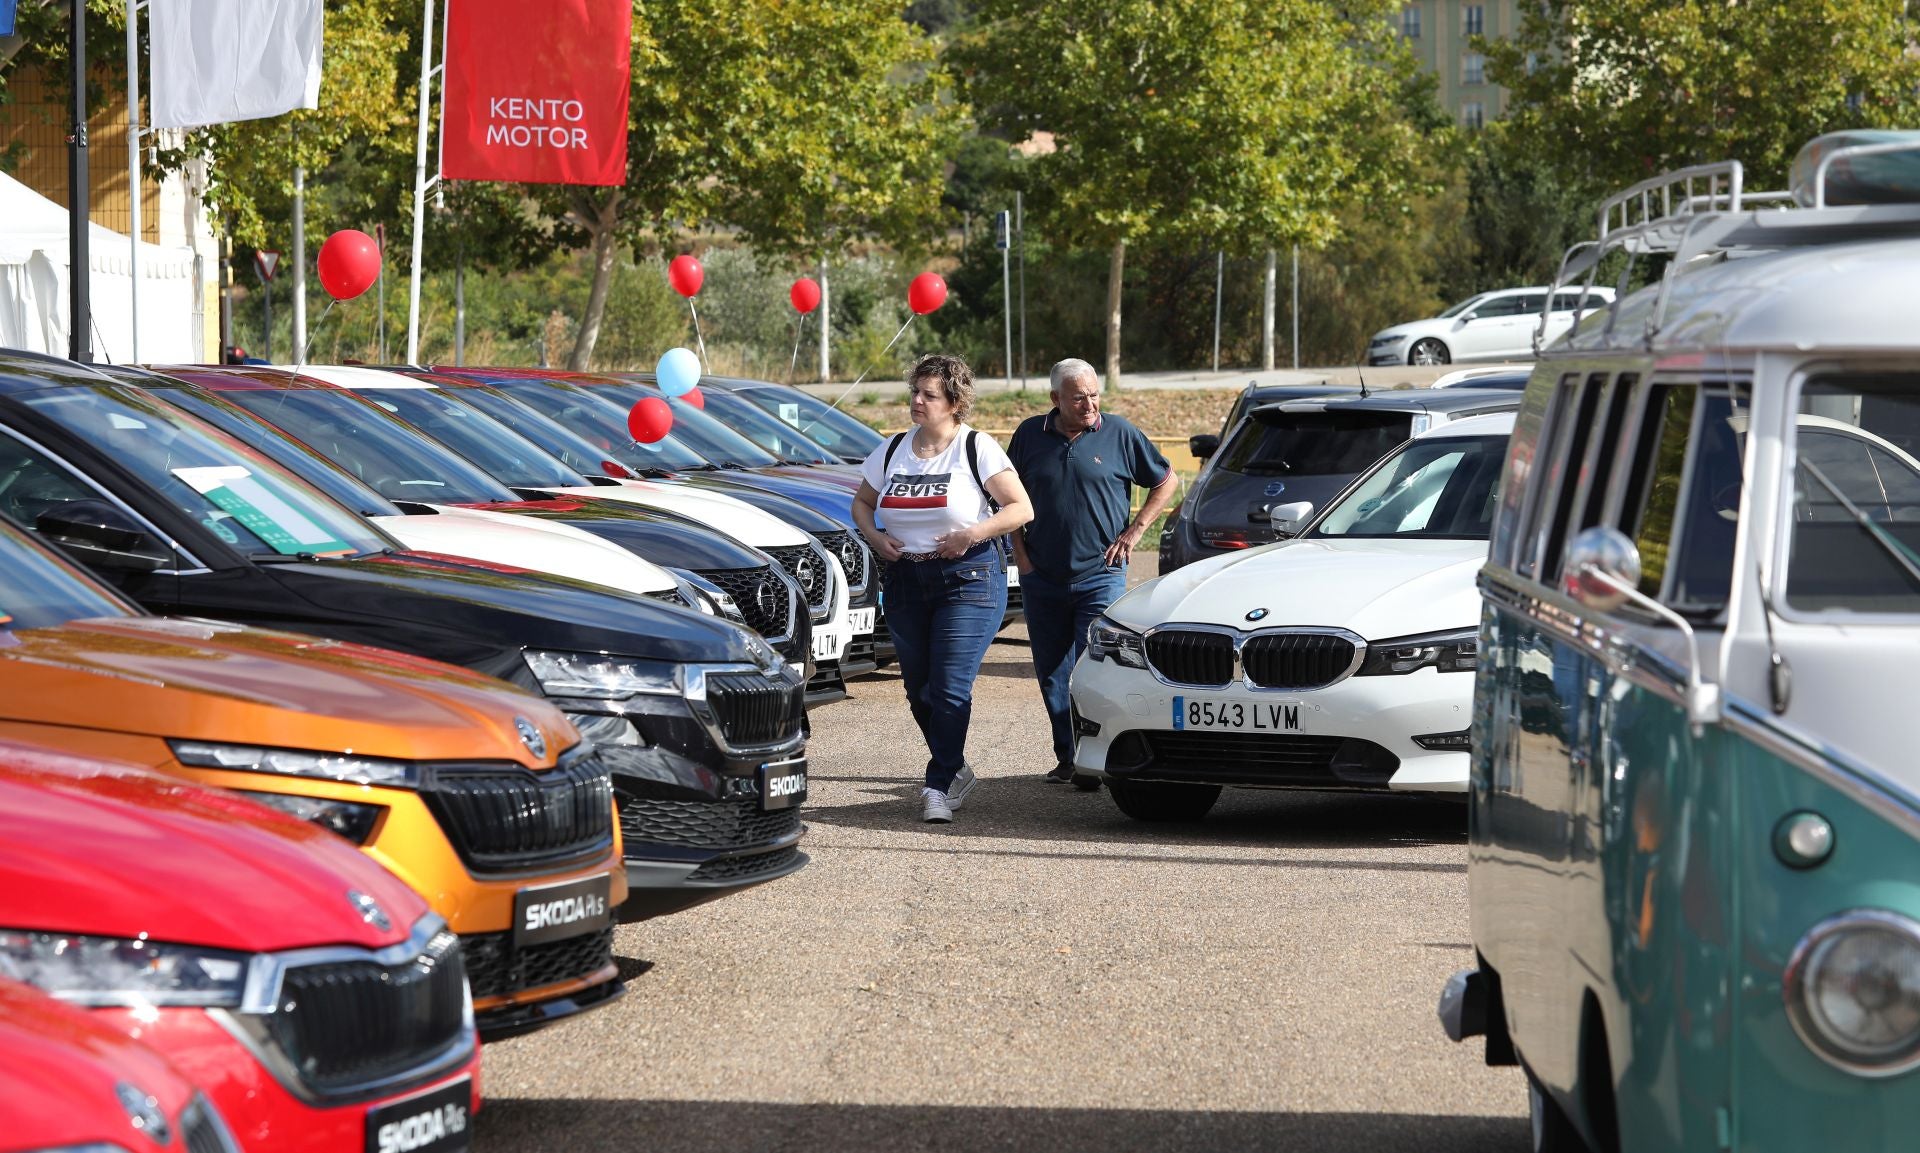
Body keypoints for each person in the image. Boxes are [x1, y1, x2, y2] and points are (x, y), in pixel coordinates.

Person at [854, 353, 1034, 824]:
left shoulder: (977, 448)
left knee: (950, 687)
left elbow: (1020, 508)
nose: (916, 401)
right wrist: (875, 537)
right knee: (920, 691)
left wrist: (972, 534)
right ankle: (955, 767)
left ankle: (938, 785)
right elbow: (861, 503)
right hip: (905, 581)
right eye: (914, 392)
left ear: (954, 402)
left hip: (968, 580)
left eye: (928, 395)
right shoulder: (892, 449)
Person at [1008, 358, 1179, 784]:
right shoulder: (1029, 435)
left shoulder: (1119, 432)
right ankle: (1068, 756)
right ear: (1056, 399)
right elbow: (1004, 498)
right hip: (1042, 576)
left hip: (1100, 575)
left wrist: (1137, 530)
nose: (1089, 404)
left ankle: (1095, 758)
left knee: (1096, 666)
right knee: (1052, 672)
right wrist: (1021, 557)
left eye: (1094, 394)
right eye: (1079, 396)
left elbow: (1167, 480)